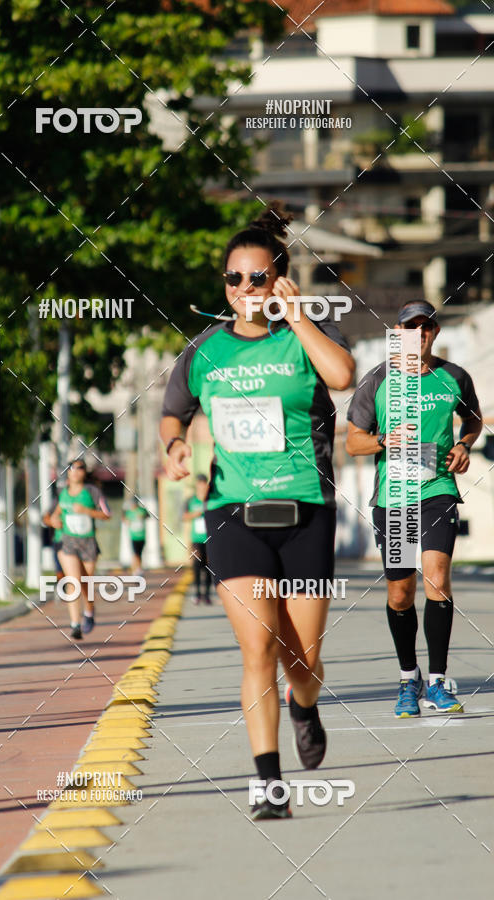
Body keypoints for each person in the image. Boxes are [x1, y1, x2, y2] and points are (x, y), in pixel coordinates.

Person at [160, 203, 355, 819]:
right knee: (259, 650)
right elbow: (174, 409)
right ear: (224, 285)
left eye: (258, 279)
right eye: (233, 279)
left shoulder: (305, 339)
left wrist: (298, 319)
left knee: (302, 659)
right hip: (232, 512)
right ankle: (270, 786)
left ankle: (305, 705)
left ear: (280, 281)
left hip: (305, 509)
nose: (245, 290)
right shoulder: (206, 350)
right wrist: (174, 444)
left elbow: (344, 376)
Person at [346, 299, 483, 717]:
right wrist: (386, 440)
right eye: (410, 328)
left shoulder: (454, 377)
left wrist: (463, 445)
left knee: (437, 580)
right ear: (397, 333)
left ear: (435, 333)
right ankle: (410, 677)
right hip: (395, 497)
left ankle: (439, 682)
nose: (418, 334)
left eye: (425, 327)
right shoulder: (378, 380)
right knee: (401, 593)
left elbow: (473, 420)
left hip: (437, 489)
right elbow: (354, 442)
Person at [51, 459, 111, 640]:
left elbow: (107, 514)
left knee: (86, 583)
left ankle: (90, 612)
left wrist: (87, 511)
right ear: (67, 473)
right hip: (69, 541)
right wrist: (54, 520)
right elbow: (54, 514)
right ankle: (75, 624)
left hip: (88, 542)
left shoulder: (92, 492)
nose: (76, 472)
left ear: (84, 472)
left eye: (80, 468)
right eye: (72, 468)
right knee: (73, 581)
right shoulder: (62, 493)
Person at [182, 474, 212, 604]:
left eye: (203, 483)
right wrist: (196, 514)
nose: (202, 486)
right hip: (196, 539)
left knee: (209, 567)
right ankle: (197, 594)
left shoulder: (211, 499)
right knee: (196, 565)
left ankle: (207, 595)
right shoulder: (191, 500)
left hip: (210, 538)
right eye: (199, 483)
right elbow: (184, 516)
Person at [122, 498, 149, 574]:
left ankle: (138, 569)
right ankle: (136, 570)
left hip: (142, 536)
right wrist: (126, 520)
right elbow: (124, 519)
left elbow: (147, 516)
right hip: (133, 536)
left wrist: (143, 515)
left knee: (139, 554)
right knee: (135, 554)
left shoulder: (141, 510)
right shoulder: (129, 512)